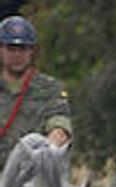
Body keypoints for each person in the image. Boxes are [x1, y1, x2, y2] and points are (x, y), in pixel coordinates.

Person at [0, 16, 71, 160]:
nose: (17, 55)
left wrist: (52, 145)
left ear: (32, 50)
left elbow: (59, 123)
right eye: (11, 48)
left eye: (23, 49)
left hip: (34, 172)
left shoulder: (49, 88)